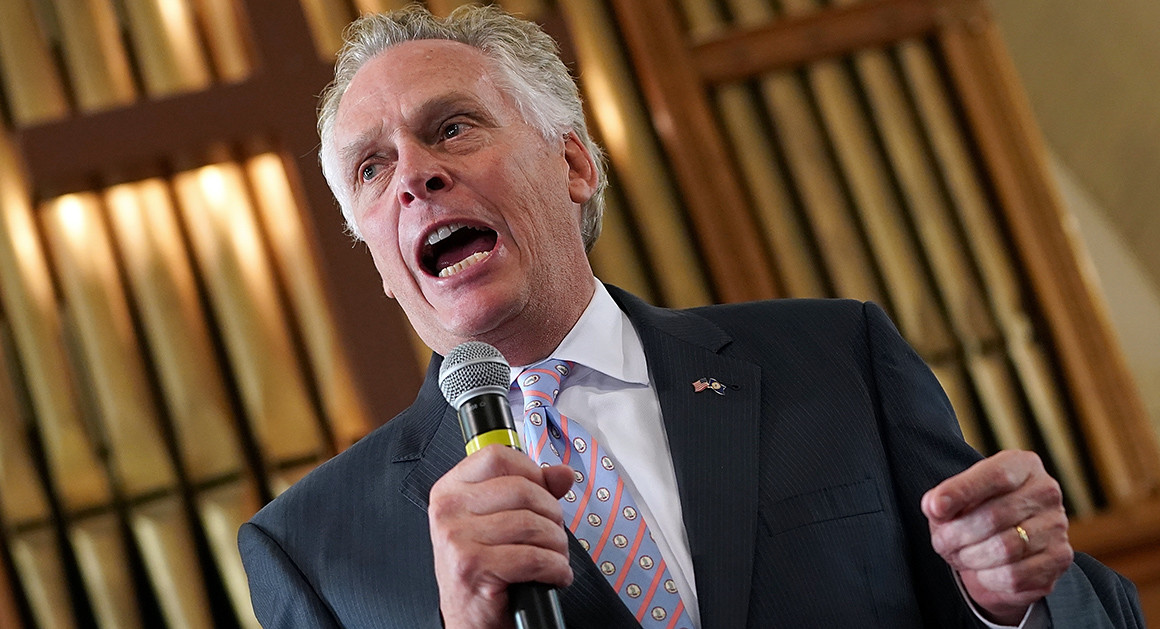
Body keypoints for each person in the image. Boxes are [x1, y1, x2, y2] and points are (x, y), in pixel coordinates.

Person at [238, 5, 1143, 628]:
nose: (413, 177)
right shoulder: (314, 548)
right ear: (374, 251)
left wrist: (1011, 604)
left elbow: (1082, 607)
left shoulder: (837, 360)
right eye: (370, 168)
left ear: (575, 167)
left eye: (453, 128)